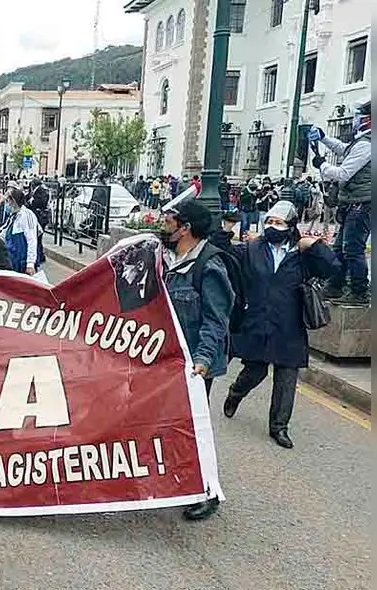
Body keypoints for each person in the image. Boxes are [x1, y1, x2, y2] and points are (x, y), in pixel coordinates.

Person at [212, 201, 339, 449]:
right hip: (258, 321)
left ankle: (279, 427)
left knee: (287, 377)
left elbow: (332, 268)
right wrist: (226, 228)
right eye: (269, 221)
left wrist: (314, 246)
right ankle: (236, 393)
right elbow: (221, 255)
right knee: (255, 370)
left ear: (291, 226)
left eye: (278, 223)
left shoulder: (302, 255)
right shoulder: (252, 249)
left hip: (289, 326)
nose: (272, 227)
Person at [155, 199, 234, 520]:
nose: (164, 226)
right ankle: (177, 477)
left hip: (196, 363)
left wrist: (201, 359)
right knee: (169, 421)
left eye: (170, 221)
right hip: (169, 358)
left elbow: (216, 320)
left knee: (192, 426)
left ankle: (207, 491)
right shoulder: (171, 258)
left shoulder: (209, 266)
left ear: (185, 228)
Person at [311, 100, 371, 305]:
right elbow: (344, 150)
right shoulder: (362, 142)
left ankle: (359, 292)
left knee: (352, 249)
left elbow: (343, 174)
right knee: (340, 249)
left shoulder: (367, 144)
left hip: (362, 204)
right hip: (354, 204)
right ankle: (334, 285)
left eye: (359, 115)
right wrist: (324, 138)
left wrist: (322, 164)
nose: (356, 118)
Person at [0, 186, 44, 275]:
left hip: (22, 262)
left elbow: (32, 240)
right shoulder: (13, 216)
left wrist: (30, 264)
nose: (6, 204)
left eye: (8, 201)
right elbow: (3, 231)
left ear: (14, 201)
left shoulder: (27, 215)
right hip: (13, 261)